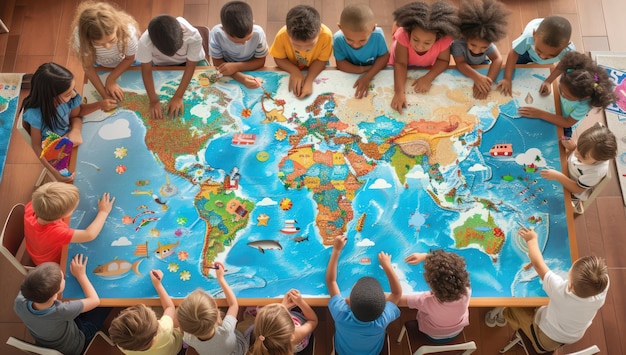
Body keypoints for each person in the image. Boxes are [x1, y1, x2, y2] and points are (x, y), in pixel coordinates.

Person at [486, 227, 609, 353]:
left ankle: (502, 317)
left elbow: (538, 263)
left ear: (570, 287)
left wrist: (532, 239)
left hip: (544, 340)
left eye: (570, 271)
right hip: (571, 335)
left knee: (511, 305)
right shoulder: (601, 284)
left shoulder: (561, 291)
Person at [21, 62, 117, 182]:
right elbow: (36, 145)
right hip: (57, 150)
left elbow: (77, 114)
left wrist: (99, 105)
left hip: (71, 136)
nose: (73, 95)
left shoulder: (68, 97)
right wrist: (55, 173)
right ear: (50, 96)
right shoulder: (35, 114)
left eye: (72, 89)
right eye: (67, 93)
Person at [14, 255, 110, 355]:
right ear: (55, 296)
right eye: (62, 279)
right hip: (76, 344)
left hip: (48, 340)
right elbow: (95, 300)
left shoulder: (19, 302)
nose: (64, 278)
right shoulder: (61, 311)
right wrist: (81, 275)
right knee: (105, 303)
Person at [326, 235, 402, 355]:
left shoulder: (341, 313)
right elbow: (396, 293)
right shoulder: (382, 320)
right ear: (383, 307)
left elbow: (331, 281)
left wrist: (336, 250)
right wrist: (387, 266)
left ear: (347, 302)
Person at [518, 51, 617, 137]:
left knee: (564, 137)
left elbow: (567, 123)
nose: (563, 95)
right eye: (561, 89)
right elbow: (562, 65)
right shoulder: (572, 71)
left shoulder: (584, 105)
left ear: (583, 97)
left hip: (565, 119)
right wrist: (548, 81)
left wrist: (539, 114)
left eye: (568, 96)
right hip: (554, 105)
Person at [389, 1, 460, 113]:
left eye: (427, 43)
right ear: (409, 32)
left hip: (425, 65)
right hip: (399, 62)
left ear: (437, 38)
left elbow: (443, 60)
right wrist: (399, 92)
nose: (420, 46)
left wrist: (428, 78)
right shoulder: (404, 35)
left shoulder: (443, 40)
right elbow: (400, 63)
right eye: (415, 39)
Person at [24, 182, 115, 265]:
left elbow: (51, 197)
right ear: (64, 215)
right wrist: (103, 212)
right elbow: (89, 235)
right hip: (49, 263)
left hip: (37, 251)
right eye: (73, 209)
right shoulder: (56, 232)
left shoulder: (33, 206)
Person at [137, 14, 206, 119]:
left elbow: (190, 66)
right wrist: (153, 100)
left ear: (182, 31)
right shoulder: (144, 42)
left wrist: (178, 96)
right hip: (163, 64)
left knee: (206, 75)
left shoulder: (193, 35)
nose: (174, 55)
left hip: (191, 61)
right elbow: (146, 71)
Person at [71, 1, 140, 102]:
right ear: (87, 39)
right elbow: (88, 67)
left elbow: (129, 58)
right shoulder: (80, 39)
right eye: (99, 44)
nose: (107, 47)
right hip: (99, 64)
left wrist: (110, 79)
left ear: (117, 28)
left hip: (128, 62)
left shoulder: (128, 34)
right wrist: (104, 94)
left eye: (112, 40)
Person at [399, 249, 471, 343]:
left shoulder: (425, 300)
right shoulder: (467, 290)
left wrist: (387, 267)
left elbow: (397, 299)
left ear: (432, 285)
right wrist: (425, 256)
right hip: (456, 331)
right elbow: (450, 269)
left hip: (433, 335)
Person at [177, 262, 248, 355]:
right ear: (218, 312)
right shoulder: (225, 330)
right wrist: (221, 278)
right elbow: (233, 305)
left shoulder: (188, 338)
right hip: (237, 350)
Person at [109, 269, 183, 354]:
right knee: (182, 308)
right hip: (174, 344)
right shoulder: (164, 330)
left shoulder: (122, 345)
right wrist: (157, 284)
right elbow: (169, 307)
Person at [497, 16, 575, 96]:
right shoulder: (527, 38)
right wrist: (507, 78)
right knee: (517, 63)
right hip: (527, 52)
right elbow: (514, 52)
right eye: (539, 50)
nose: (543, 57)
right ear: (534, 35)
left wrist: (548, 81)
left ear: (565, 46)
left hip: (538, 53)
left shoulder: (568, 52)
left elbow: (562, 66)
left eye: (552, 55)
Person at [539, 124, 617, 204]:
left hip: (570, 190)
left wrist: (558, 176)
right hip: (564, 168)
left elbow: (577, 189)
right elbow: (573, 146)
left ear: (598, 160)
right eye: (578, 148)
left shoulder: (595, 172)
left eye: (583, 157)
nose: (576, 154)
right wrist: (572, 146)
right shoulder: (588, 149)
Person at [269, 5, 333, 99]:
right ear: (288, 33)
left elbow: (321, 61)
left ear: (319, 31)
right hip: (292, 66)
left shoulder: (326, 36)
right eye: (297, 45)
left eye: (310, 45)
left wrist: (309, 80)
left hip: (317, 67)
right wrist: (294, 71)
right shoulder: (282, 36)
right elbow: (279, 58)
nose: (303, 49)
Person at [451, 0, 508, 99]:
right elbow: (460, 63)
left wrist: (488, 81)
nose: (477, 50)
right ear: (466, 37)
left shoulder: (487, 40)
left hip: (482, 65)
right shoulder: (458, 44)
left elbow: (497, 59)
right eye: (473, 45)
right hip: (465, 68)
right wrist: (476, 77)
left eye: (484, 48)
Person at [333, 4, 390, 99]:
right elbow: (341, 64)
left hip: (374, 72)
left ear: (373, 29)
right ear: (340, 27)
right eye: (349, 40)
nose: (355, 45)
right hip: (353, 74)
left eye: (362, 40)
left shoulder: (378, 36)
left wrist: (368, 76)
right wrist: (365, 69)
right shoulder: (337, 39)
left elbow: (384, 57)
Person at [210, 1, 268, 89]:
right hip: (227, 67)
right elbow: (217, 63)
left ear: (253, 23)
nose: (244, 43)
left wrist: (236, 67)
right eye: (236, 41)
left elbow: (260, 61)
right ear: (224, 30)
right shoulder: (216, 34)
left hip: (250, 65)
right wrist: (241, 78)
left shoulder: (258, 33)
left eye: (248, 39)